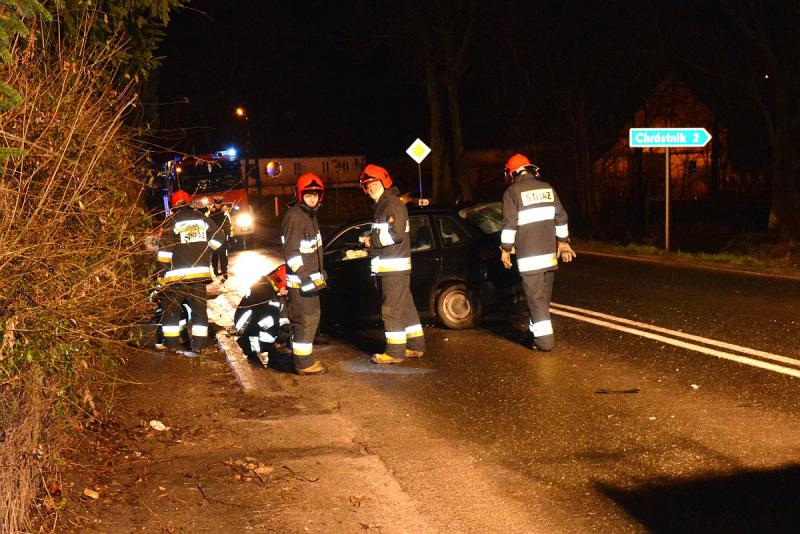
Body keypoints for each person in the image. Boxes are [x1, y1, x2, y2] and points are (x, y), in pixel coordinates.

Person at [499, 154, 576, 352]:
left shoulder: (512, 192)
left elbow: (509, 226)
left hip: (529, 259)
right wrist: (563, 243)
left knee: (536, 300)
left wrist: (505, 250)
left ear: (512, 173)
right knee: (542, 300)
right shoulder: (547, 188)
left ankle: (544, 342)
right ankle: (536, 335)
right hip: (549, 257)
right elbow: (561, 218)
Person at [358, 164, 425, 364]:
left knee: (391, 309)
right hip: (392, 266)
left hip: (392, 268)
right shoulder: (385, 204)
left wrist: (372, 241)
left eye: (374, 183)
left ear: (384, 182)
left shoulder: (391, 205)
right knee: (404, 306)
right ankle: (415, 346)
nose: (371, 188)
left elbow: (395, 234)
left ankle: (395, 352)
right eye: (368, 185)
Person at [156, 190, 224, 355]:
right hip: (199, 276)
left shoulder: (171, 221)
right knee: (199, 312)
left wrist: (160, 274)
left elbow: (165, 253)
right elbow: (220, 237)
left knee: (171, 311)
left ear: (173, 206)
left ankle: (172, 345)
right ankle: (199, 346)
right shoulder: (202, 219)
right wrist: (207, 251)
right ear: (188, 203)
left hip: (176, 277)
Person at [281, 172, 328, 375]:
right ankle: (304, 364)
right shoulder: (295, 217)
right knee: (305, 320)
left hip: (310, 280)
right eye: (308, 195)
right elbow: (291, 252)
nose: (313, 198)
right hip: (301, 282)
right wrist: (304, 275)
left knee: (311, 319)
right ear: (300, 195)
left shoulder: (309, 216)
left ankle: (303, 358)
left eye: (316, 195)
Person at [234, 264, 291, 366]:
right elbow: (270, 320)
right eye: (286, 288)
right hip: (246, 324)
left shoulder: (274, 289)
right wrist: (280, 337)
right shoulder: (264, 292)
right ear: (279, 282)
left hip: (252, 320)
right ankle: (249, 347)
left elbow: (283, 314)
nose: (287, 292)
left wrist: (287, 328)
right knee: (270, 329)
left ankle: (262, 345)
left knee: (274, 327)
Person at [206, 196, 232, 280]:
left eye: (219, 203)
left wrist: (227, 234)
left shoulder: (224, 212)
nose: (218, 205)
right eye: (216, 203)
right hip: (214, 237)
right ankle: (215, 270)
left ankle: (224, 272)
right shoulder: (210, 212)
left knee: (223, 254)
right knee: (215, 254)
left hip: (222, 237)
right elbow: (208, 224)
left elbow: (228, 224)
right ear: (214, 203)